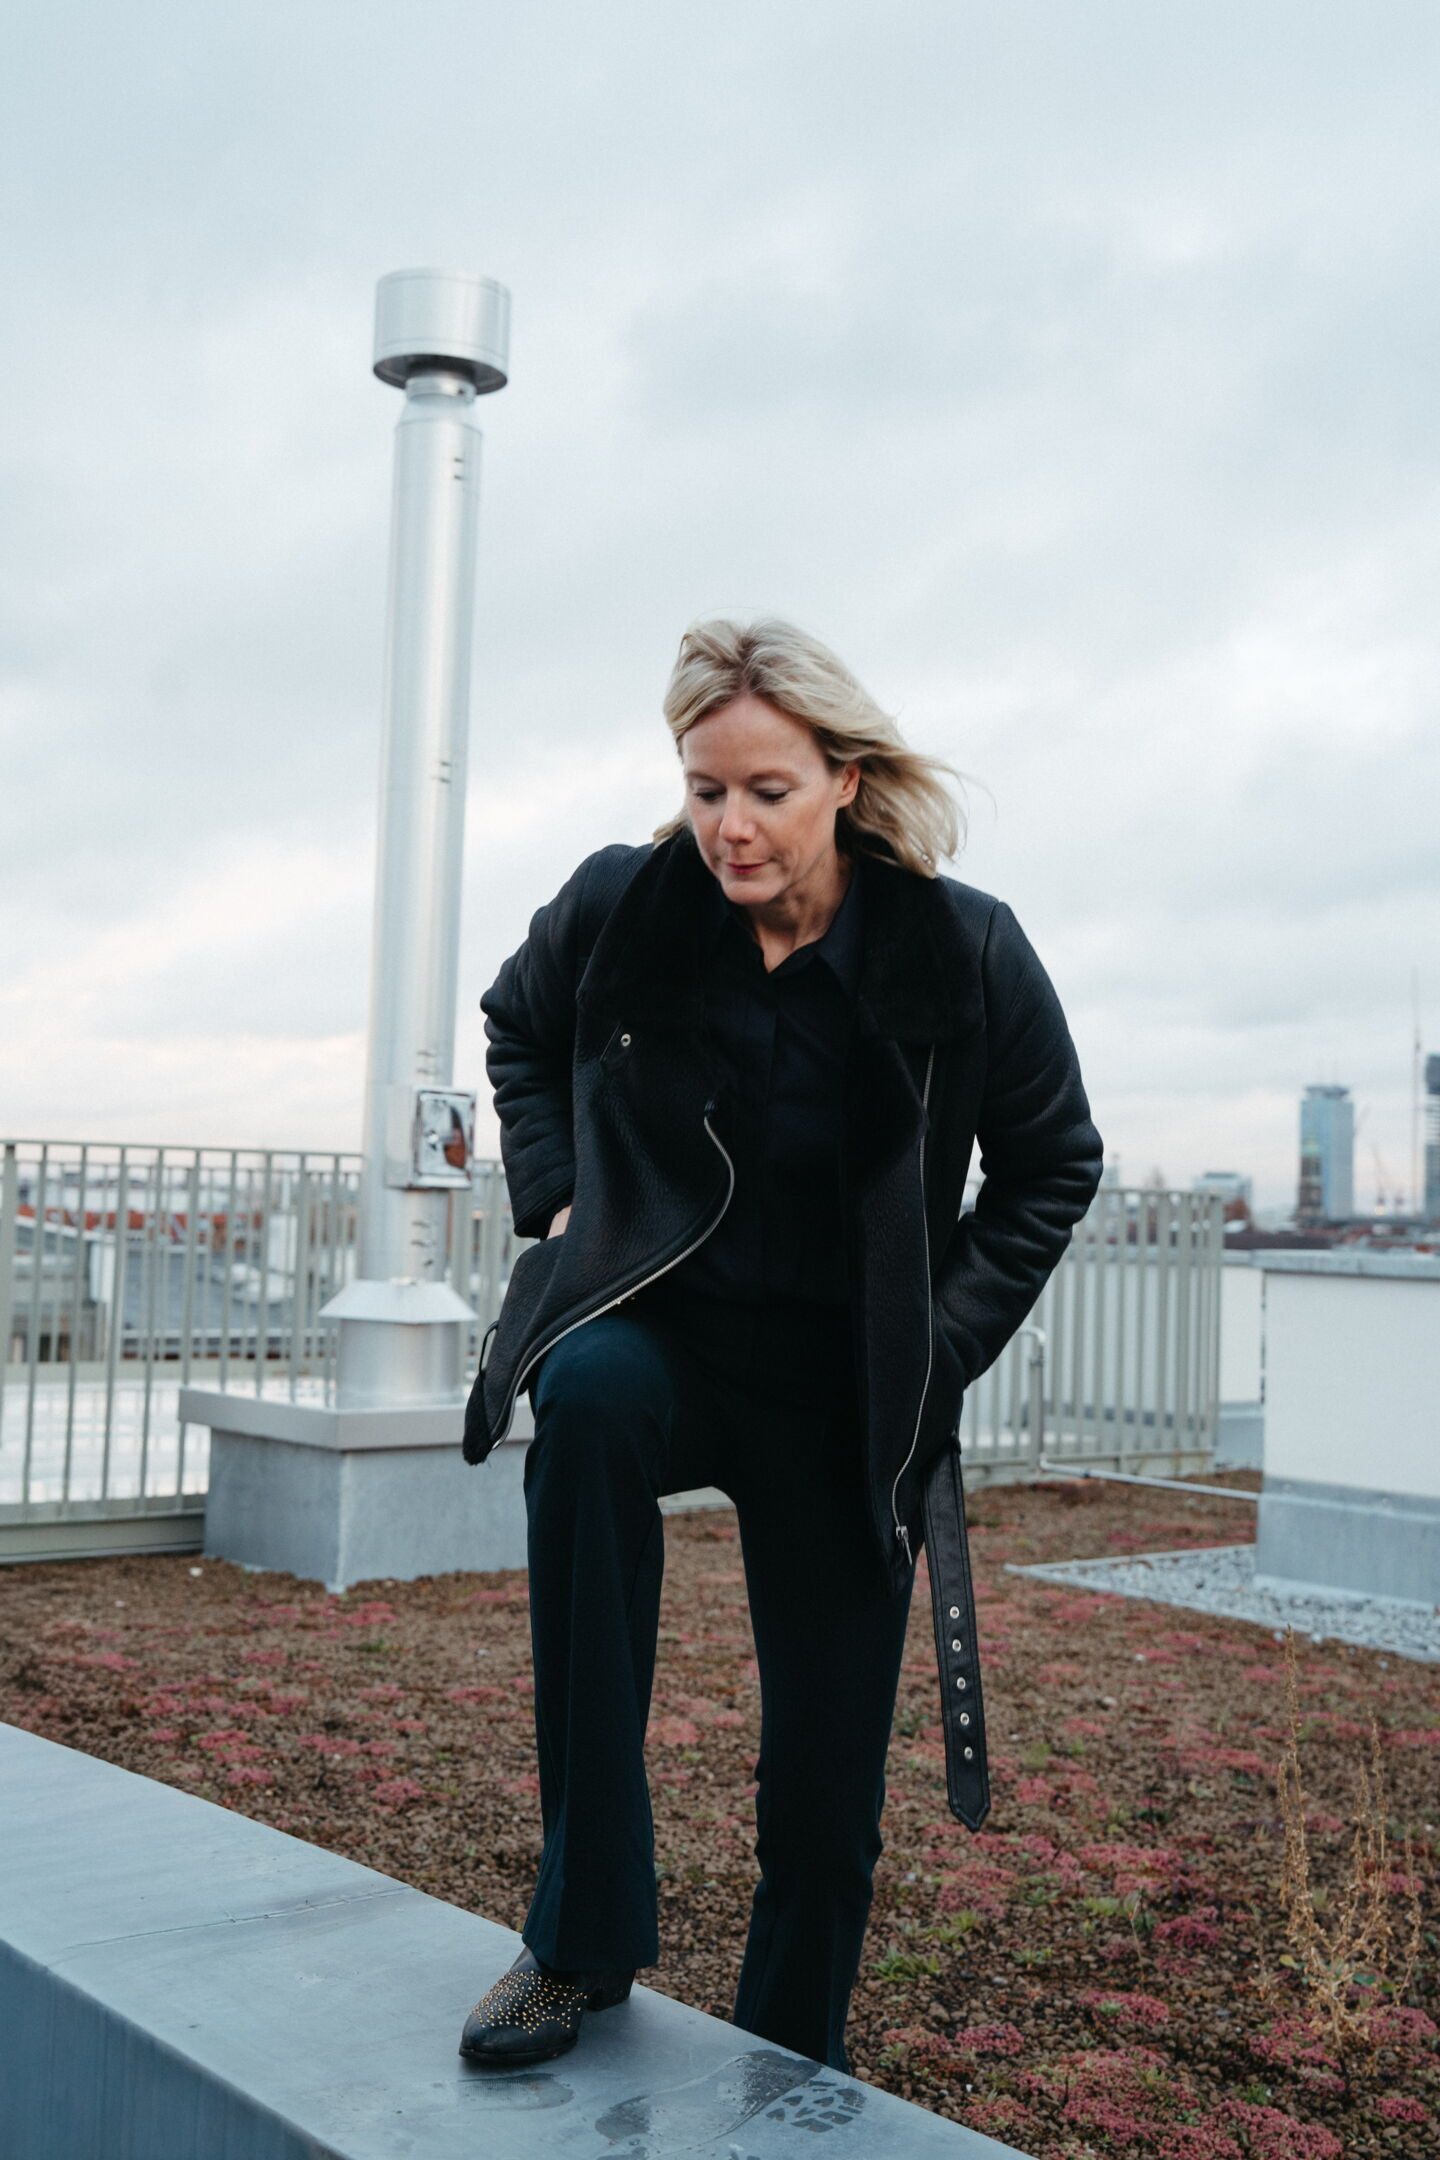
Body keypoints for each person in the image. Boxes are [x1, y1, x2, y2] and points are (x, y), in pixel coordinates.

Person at [457, 617, 1103, 2074]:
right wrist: (556, 1188)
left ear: (846, 782)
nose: (728, 826)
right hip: (666, 1342)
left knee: (824, 1789)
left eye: (764, 790)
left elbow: (1054, 1163)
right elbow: (516, 1022)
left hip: (844, 1393)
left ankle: (784, 2058)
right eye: (704, 789)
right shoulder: (630, 905)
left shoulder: (962, 945)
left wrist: (936, 1351)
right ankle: (580, 1945)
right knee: (590, 1403)